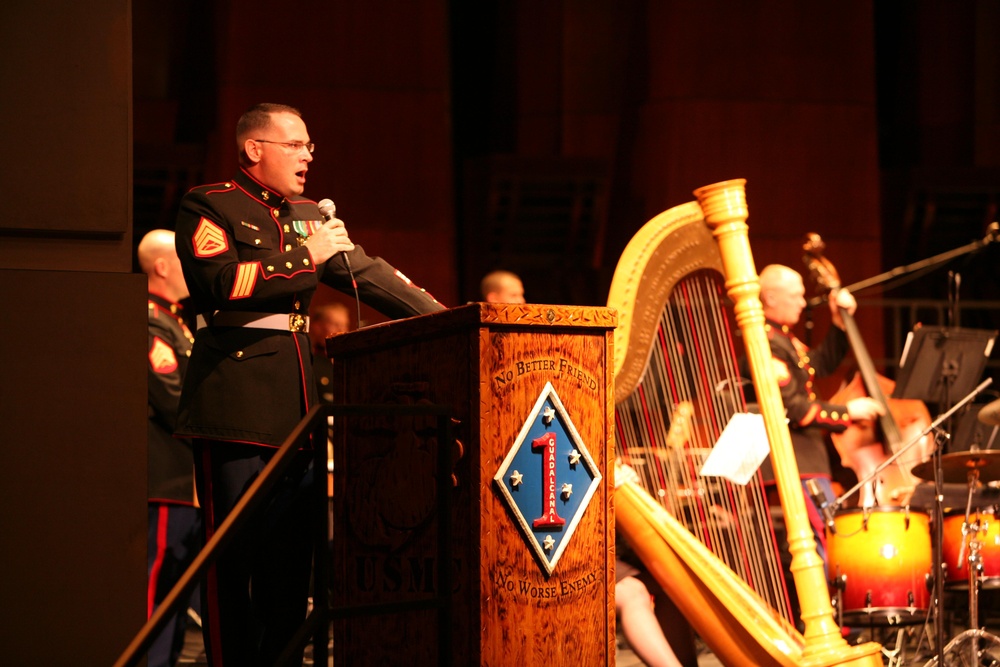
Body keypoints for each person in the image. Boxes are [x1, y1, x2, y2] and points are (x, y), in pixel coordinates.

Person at [173, 102, 444, 666]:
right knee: (236, 561)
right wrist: (304, 255)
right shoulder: (210, 203)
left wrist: (445, 314)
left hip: (298, 411)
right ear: (254, 150)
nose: (307, 157)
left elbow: (367, 274)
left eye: (310, 147)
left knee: (290, 567)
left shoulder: (305, 214)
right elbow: (224, 282)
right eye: (295, 145)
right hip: (237, 403)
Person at [752, 264, 883, 626]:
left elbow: (819, 365)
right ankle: (824, 623)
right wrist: (847, 411)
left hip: (809, 459)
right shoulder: (766, 340)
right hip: (796, 459)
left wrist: (839, 324)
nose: (801, 301)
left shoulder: (785, 338)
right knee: (817, 542)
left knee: (824, 538)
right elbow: (795, 409)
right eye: (794, 295)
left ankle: (828, 619)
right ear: (771, 297)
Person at [139, 229, 202, 667]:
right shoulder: (147, 320)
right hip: (165, 477)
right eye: (183, 259)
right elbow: (172, 396)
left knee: (178, 591)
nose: (192, 268)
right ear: (162, 266)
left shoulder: (174, 320)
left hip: (185, 478)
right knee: (156, 589)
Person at [308, 301, 351, 404]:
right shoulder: (310, 363)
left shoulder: (351, 365)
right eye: (336, 324)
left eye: (345, 325)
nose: (342, 329)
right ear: (317, 327)